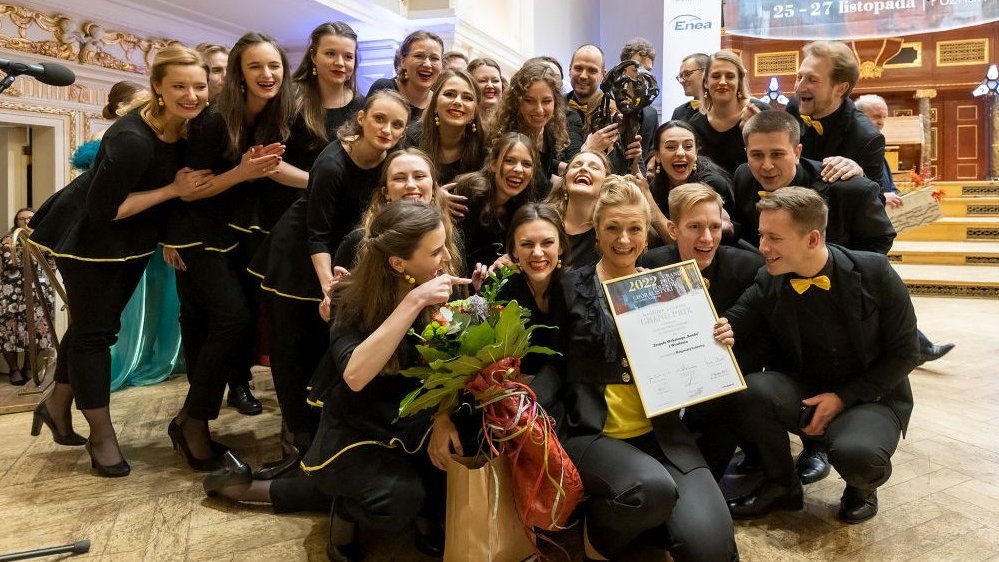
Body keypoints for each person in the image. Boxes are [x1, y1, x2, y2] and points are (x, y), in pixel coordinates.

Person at [26, 45, 210, 476]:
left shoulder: (188, 127)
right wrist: (173, 190)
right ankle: (102, 436)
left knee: (93, 324)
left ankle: (57, 404)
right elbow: (102, 210)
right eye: (179, 86)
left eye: (199, 86)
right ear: (158, 88)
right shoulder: (132, 139)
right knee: (96, 334)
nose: (191, 96)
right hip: (90, 236)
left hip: (133, 236)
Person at [553, 176, 738, 561]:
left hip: (662, 433)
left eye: (635, 228)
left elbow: (694, 364)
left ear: (647, 235)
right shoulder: (570, 287)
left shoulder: (671, 288)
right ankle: (600, 533)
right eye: (612, 228)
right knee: (651, 491)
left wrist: (715, 341)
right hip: (595, 433)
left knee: (713, 550)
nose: (624, 239)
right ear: (596, 231)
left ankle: (651, 521)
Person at [725, 187, 917, 525]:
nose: (763, 247)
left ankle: (861, 488)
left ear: (812, 239)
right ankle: (781, 486)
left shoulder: (874, 272)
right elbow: (733, 320)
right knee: (752, 391)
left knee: (859, 456)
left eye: (774, 238)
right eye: (762, 235)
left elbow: (905, 354)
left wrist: (842, 398)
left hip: (871, 395)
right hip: (806, 390)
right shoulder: (769, 279)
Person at [245, 90, 410, 476]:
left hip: (341, 254)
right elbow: (315, 234)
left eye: (397, 124)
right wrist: (329, 288)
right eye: (380, 119)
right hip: (299, 259)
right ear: (362, 119)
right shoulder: (333, 163)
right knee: (291, 353)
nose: (387, 129)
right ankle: (295, 441)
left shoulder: (392, 159)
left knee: (324, 351)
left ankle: (318, 438)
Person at [303, 200, 470, 560]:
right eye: (435, 251)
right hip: (360, 426)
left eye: (444, 246)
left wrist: (443, 417)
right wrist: (413, 303)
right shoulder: (348, 295)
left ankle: (426, 510)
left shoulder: (443, 285)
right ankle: (346, 512)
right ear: (397, 263)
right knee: (399, 499)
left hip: (415, 418)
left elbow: (451, 365)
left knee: (462, 447)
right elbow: (355, 376)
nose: (446, 257)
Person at [238, 22, 368, 478]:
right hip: (296, 236)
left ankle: (324, 438)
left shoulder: (363, 108)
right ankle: (295, 437)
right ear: (313, 56)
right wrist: (326, 182)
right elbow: (268, 164)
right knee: (290, 344)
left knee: (327, 341)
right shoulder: (290, 101)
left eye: (347, 55)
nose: (340, 63)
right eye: (331, 53)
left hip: (343, 238)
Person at [639, 184, 764, 479]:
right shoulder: (650, 265)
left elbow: (762, 340)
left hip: (725, 394)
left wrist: (733, 338)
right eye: (695, 227)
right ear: (673, 229)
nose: (707, 238)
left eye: (714, 227)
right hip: (667, 387)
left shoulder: (749, 267)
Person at [731, 110, 895, 253]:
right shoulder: (743, 177)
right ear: (747, 154)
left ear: (797, 153)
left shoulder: (847, 189)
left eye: (777, 154)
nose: (767, 166)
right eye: (757, 155)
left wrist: (830, 265)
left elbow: (880, 241)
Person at [787, 41, 886, 186]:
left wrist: (860, 175)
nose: (799, 88)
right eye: (799, 77)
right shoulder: (794, 106)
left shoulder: (867, 137)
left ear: (841, 89)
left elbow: (878, 197)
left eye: (812, 80)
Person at [454, 132, 537, 269]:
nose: (518, 169)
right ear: (493, 164)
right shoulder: (466, 194)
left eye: (527, 164)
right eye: (509, 160)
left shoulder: (524, 208)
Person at [563, 44, 644, 175]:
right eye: (578, 68)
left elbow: (640, 174)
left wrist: (635, 160)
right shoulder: (553, 109)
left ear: (603, 75)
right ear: (569, 69)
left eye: (592, 70)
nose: (583, 76)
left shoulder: (619, 110)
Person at [490, 62, 568, 197]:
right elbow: (541, 188)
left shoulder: (549, 132)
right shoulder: (510, 137)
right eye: (529, 101)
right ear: (517, 102)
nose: (539, 110)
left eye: (546, 101)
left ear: (555, 102)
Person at [689, 50, 771, 176]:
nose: (722, 82)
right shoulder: (695, 124)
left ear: (739, 81)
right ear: (706, 82)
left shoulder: (760, 111)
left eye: (730, 76)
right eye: (716, 76)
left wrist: (755, 131)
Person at [648, 120, 735, 236]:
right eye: (671, 147)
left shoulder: (711, 184)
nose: (680, 153)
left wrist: (648, 198)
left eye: (688, 146)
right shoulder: (657, 186)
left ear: (696, 153)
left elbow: (682, 239)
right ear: (657, 155)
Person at [1, 208, 56, 387]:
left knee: (36, 330)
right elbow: (11, 263)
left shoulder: (44, 238)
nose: (26, 222)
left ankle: (28, 367)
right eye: (21, 219)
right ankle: (13, 370)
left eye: (30, 218)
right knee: (10, 331)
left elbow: (52, 264)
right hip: (12, 295)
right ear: (16, 222)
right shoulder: (9, 239)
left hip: (39, 293)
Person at [408, 68, 487, 184]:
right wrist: (437, 193)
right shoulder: (411, 139)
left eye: (467, 98)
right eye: (449, 94)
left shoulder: (485, 146)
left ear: (475, 111)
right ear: (435, 104)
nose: (458, 102)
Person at [545, 150, 611, 269]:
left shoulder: (611, 231)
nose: (583, 169)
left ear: (605, 184)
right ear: (564, 181)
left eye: (594, 168)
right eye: (576, 165)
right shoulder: (541, 221)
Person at [366, 30, 444, 122]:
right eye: (419, 56)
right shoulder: (384, 88)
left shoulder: (439, 102)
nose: (427, 64)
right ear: (403, 62)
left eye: (434, 58)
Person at [854, 94, 904, 209]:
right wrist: (881, 197)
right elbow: (848, 190)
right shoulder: (851, 147)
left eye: (884, 117)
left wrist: (898, 196)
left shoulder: (876, 146)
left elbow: (890, 186)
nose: (881, 122)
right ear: (859, 117)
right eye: (876, 116)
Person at [619, 37, 659, 159]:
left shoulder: (651, 114)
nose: (643, 75)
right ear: (622, 69)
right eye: (637, 69)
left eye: (648, 70)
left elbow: (653, 152)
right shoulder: (606, 105)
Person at [670, 53, 708, 122]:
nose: (681, 81)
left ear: (706, 73)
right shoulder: (679, 112)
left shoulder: (723, 108)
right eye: (680, 76)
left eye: (687, 73)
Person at [467, 57, 503, 123]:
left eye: (495, 81)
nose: (490, 85)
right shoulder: (461, 121)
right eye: (483, 81)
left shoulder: (511, 122)